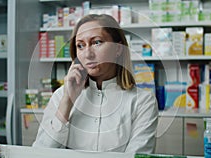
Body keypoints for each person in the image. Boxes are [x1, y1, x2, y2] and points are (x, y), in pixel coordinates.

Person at [33, 14, 158, 154]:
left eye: (97, 42)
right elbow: (40, 153)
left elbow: (137, 155)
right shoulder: (61, 96)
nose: (87, 54)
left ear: (118, 48)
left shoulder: (143, 101)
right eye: (80, 46)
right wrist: (67, 102)